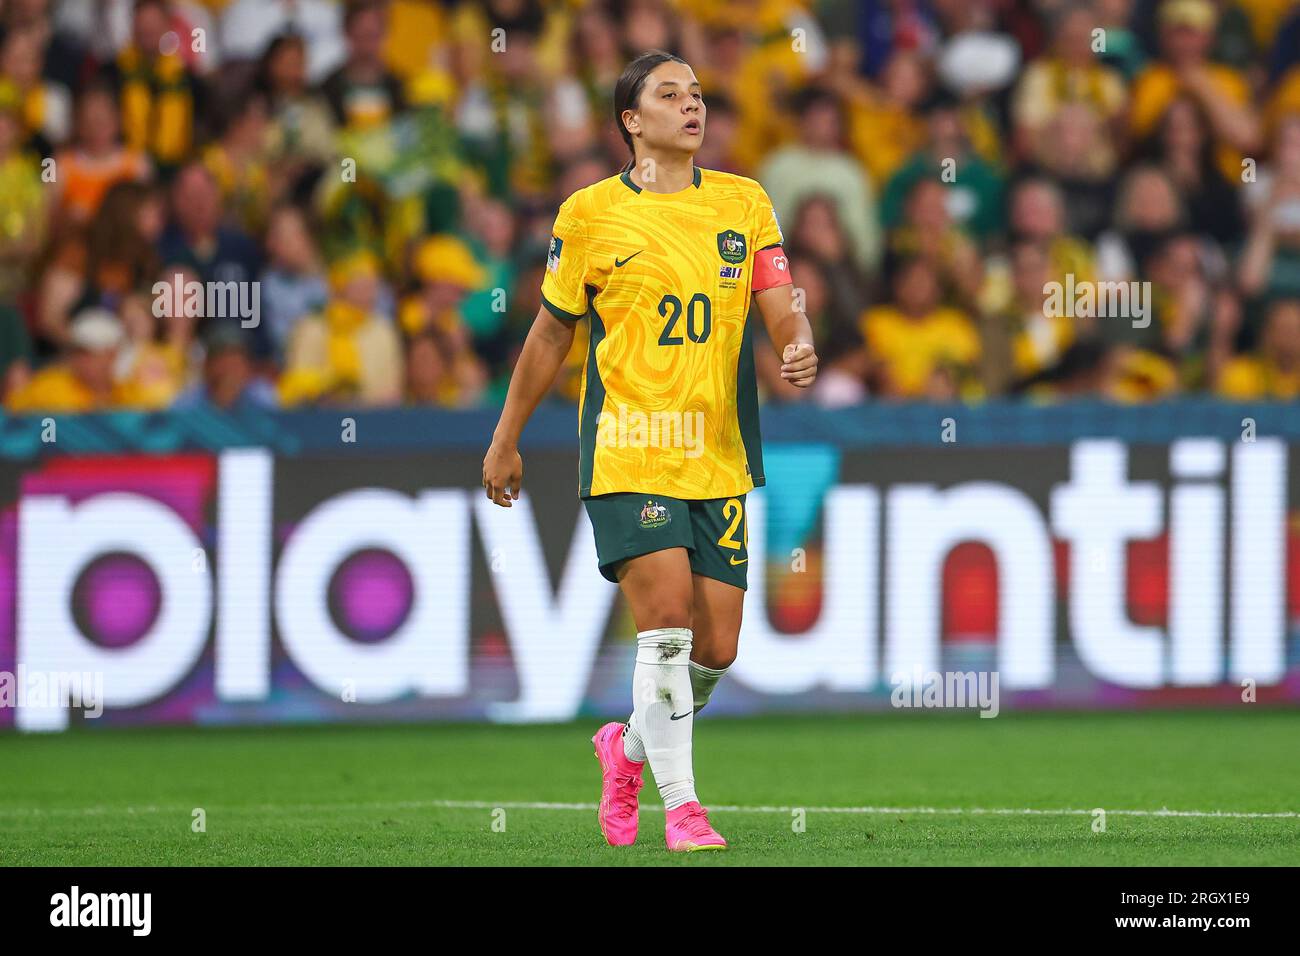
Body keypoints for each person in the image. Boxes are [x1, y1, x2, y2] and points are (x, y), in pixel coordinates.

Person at [481, 51, 817, 852]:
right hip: (628, 446)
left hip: (719, 452)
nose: (691, 106)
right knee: (663, 622)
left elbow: (778, 301)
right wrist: (506, 438)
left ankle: (625, 748)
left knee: (717, 649)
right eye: (669, 95)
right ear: (632, 120)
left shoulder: (744, 202)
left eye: (698, 93)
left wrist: (796, 341)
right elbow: (550, 332)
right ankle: (686, 809)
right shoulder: (589, 214)